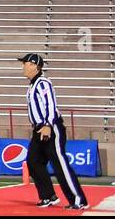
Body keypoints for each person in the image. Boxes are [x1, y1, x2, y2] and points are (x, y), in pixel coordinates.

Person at [19, 52, 87, 209]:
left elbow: (50, 104)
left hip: (50, 127)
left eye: (25, 63)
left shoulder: (43, 83)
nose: (23, 66)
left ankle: (78, 199)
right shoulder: (32, 85)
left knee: (59, 164)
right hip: (39, 129)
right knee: (33, 161)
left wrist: (48, 125)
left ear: (35, 66)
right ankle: (48, 196)